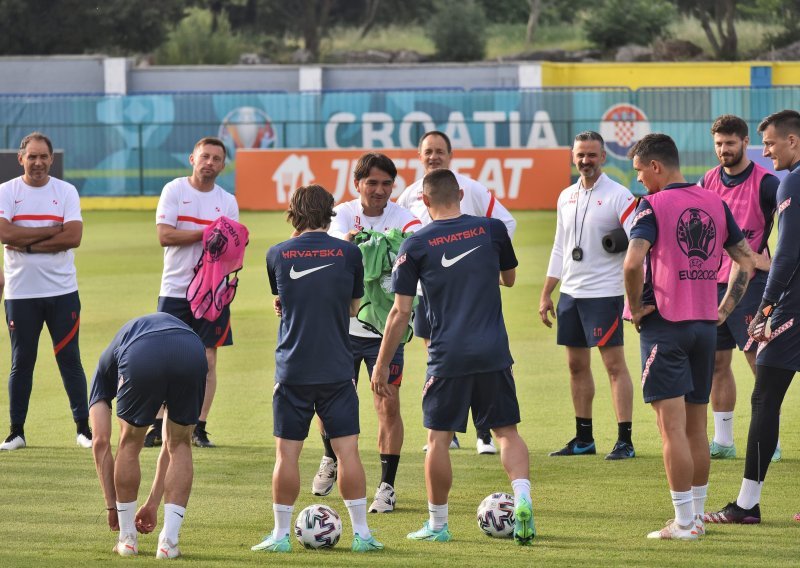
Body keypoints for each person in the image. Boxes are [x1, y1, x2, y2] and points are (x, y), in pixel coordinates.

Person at [373, 169, 534, 545]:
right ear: (461, 194)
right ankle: (523, 498)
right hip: (494, 350)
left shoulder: (415, 244)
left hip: (447, 357)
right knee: (507, 432)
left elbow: (399, 313)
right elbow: (509, 279)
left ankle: (438, 524)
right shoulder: (492, 229)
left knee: (439, 440)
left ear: (424, 202)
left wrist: (382, 364)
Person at [624, 133, 755, 540]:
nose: (641, 180)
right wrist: (724, 310)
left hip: (666, 327)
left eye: (640, 171)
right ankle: (696, 516)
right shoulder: (714, 201)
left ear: (656, 166)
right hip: (705, 326)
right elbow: (746, 262)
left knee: (672, 430)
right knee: (698, 429)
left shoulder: (653, 205)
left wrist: (636, 307)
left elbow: (632, 264)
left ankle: (683, 524)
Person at [254, 184, 383, 553]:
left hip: (292, 368)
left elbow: (283, 301)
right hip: (337, 368)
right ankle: (362, 534)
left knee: (287, 455)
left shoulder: (276, 253)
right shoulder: (349, 253)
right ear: (330, 213)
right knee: (348, 453)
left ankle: (280, 537)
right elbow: (353, 308)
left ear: (293, 213)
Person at [309, 152, 421, 512]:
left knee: (386, 403)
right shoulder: (340, 213)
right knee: (328, 402)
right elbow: (330, 247)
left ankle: (387, 486)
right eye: (371, 182)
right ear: (357, 184)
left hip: (385, 330)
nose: (379, 190)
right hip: (340, 328)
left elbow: (414, 244)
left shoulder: (405, 218)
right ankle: (331, 457)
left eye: (386, 183)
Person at [705, 109, 800, 525]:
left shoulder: (789, 182)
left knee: (764, 396)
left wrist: (767, 305)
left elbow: (787, 254)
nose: (767, 151)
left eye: (772, 143)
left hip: (790, 305)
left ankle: (746, 506)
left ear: (793, 141)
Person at [396, 130, 516, 455]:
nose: (433, 156)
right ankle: (448, 430)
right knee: (438, 356)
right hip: (426, 293)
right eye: (428, 152)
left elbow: (506, 222)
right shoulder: (409, 195)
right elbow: (399, 238)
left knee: (472, 358)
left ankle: (484, 434)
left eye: (439, 151)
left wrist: (485, 262)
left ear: (450, 155)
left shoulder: (471, 189)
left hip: (470, 292)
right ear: (419, 157)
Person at [540, 131, 637, 460]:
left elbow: (640, 238)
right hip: (571, 293)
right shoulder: (565, 196)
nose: (585, 161)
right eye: (580, 155)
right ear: (573, 156)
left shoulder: (619, 195)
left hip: (604, 294)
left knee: (614, 366)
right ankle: (584, 439)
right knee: (576, 365)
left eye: (592, 155)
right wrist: (546, 293)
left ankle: (625, 439)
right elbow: (559, 247)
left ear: (603, 156)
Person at [0, 132, 92, 451]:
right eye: (32, 156)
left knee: (69, 359)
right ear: (21, 158)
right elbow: (3, 232)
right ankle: (16, 432)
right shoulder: (6, 191)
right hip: (20, 293)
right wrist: (53, 230)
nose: (38, 162)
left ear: (52, 159)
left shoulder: (65, 191)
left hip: (62, 291)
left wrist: (27, 244)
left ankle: (83, 428)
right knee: (21, 361)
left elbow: (74, 236)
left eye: (43, 157)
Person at [89, 312, 207, 558]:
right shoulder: (113, 356)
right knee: (180, 443)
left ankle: (128, 539)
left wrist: (113, 507)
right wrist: (152, 502)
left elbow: (100, 443)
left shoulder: (101, 376)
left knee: (129, 442)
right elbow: (167, 445)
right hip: (191, 348)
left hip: (142, 352)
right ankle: (168, 543)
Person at [699, 115, 780, 461]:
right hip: (711, 285)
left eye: (730, 143)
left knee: (758, 362)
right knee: (717, 362)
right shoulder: (707, 180)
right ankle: (724, 440)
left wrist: (769, 262)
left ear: (746, 143)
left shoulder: (767, 183)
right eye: (718, 144)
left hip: (752, 286)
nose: (723, 150)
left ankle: (770, 441)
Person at [149, 136, 239, 449]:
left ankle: (198, 426)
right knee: (166, 358)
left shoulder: (227, 201)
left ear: (223, 165)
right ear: (192, 158)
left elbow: (232, 248)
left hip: (212, 293)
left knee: (207, 360)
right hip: (175, 289)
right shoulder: (175, 190)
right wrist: (208, 233)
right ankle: (159, 423)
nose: (210, 163)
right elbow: (164, 235)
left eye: (216, 158)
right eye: (205, 157)